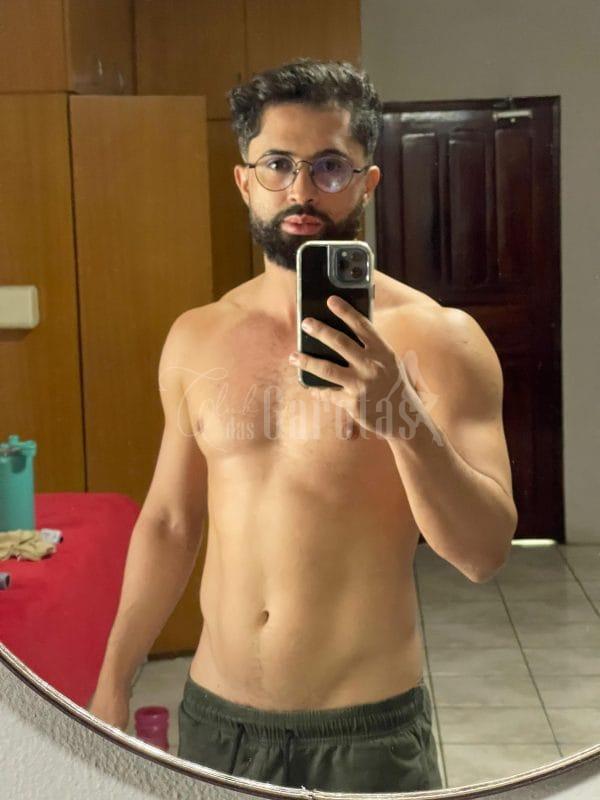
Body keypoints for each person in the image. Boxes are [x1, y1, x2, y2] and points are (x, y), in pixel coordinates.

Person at [88, 59, 518, 792]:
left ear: (366, 182)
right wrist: (112, 681)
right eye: (278, 164)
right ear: (244, 180)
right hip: (216, 725)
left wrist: (402, 418)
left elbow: (483, 553)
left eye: (329, 166)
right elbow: (169, 523)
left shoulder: (440, 339)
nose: (301, 190)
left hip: (366, 736)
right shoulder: (196, 336)